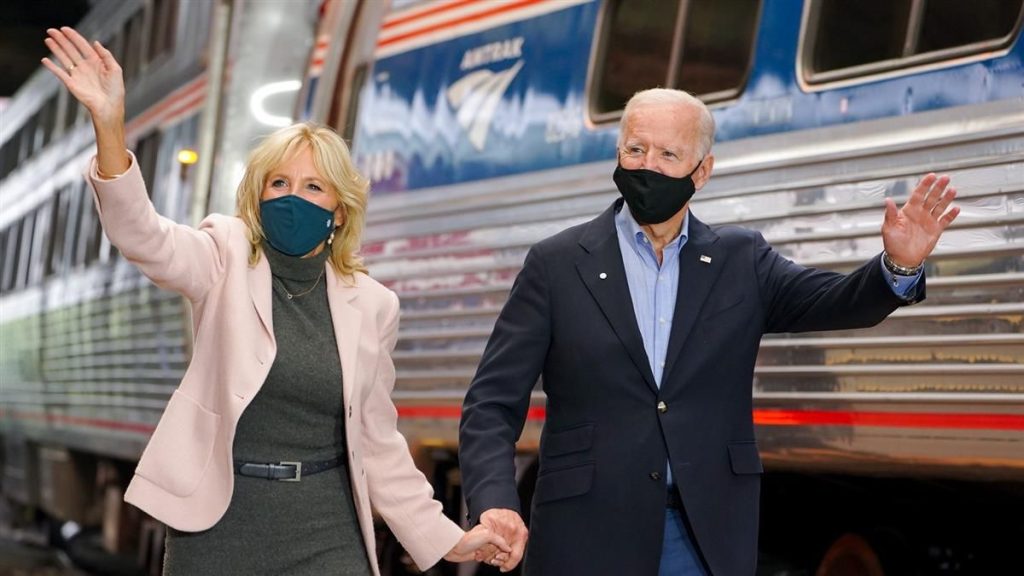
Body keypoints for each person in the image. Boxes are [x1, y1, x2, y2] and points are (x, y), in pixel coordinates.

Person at [43, 26, 510, 575]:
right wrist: (110, 124)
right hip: (218, 527)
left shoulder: (374, 305)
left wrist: (445, 537)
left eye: (314, 187)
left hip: (326, 530)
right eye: (279, 184)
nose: (294, 198)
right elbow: (144, 237)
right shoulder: (224, 254)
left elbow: (378, 442)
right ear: (257, 197)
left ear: (339, 210)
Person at [459, 88, 959, 575]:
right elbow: (491, 402)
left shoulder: (741, 260)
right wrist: (496, 500)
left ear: (703, 171)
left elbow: (838, 302)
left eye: (668, 153)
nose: (648, 165)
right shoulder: (557, 263)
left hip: (703, 536)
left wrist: (898, 263)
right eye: (636, 149)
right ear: (618, 153)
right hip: (586, 532)